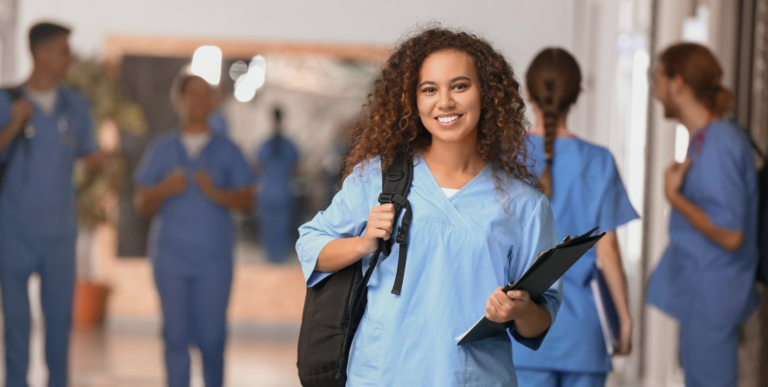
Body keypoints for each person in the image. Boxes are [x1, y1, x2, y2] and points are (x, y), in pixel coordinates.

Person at [296, 27, 562, 386]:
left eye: (460, 86)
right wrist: (363, 244)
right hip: (382, 373)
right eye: (429, 89)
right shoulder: (377, 179)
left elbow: (541, 317)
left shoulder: (524, 205)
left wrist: (521, 309)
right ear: (412, 100)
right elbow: (310, 245)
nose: (445, 102)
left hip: (471, 377)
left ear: (487, 94)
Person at [512, 48, 637, 387]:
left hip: (522, 336)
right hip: (585, 336)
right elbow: (607, 251)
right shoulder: (600, 161)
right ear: (578, 94)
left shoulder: (509, 156)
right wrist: (624, 321)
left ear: (529, 91)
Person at [646, 42, 760, 387]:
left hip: (716, 298)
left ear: (678, 84)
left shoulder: (720, 142)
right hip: (704, 296)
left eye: (659, 78)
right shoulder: (704, 139)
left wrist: (673, 197)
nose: (655, 89)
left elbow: (731, 233)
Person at [0, 22, 105, 387]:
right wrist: (12, 126)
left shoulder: (76, 106)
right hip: (13, 234)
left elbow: (88, 156)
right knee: (16, 327)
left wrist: (94, 163)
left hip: (60, 236)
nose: (71, 57)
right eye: (64, 50)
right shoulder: (6, 101)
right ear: (41, 53)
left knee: (59, 329)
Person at [133, 74, 255, 387]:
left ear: (214, 101)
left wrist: (216, 192)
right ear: (179, 100)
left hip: (213, 261)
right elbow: (141, 201)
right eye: (193, 94)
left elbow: (247, 200)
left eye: (206, 95)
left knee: (213, 338)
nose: (200, 101)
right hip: (170, 258)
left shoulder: (227, 150)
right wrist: (165, 188)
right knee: (175, 336)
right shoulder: (162, 148)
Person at [255, 107, 299, 263]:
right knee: (279, 226)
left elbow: (257, 167)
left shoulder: (267, 144)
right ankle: (277, 258)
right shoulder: (286, 145)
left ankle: (274, 257)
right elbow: (296, 168)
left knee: (273, 227)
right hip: (281, 191)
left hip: (270, 191)